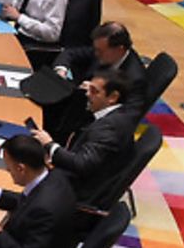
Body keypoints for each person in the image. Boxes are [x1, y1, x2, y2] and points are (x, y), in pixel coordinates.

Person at [32, 68, 138, 207]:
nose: (87, 93)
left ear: (112, 97)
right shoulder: (116, 115)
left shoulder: (109, 129)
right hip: (79, 174)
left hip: (73, 193)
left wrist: (50, 145)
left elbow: (81, 164)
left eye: (94, 91)